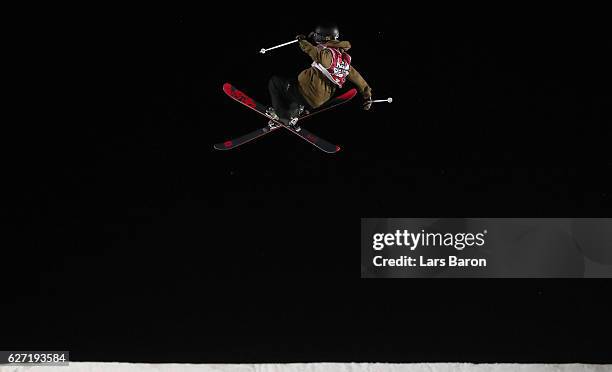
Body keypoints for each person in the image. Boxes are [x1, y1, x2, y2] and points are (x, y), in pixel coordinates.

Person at [267, 23, 373, 131]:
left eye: (317, 35)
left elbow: (318, 56)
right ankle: (294, 111)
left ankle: (283, 117)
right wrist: (367, 95)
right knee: (291, 85)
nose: (316, 38)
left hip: (308, 92)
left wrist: (303, 42)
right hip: (318, 99)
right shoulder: (343, 60)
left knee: (275, 83)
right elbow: (358, 78)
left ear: (325, 37)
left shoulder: (328, 54)